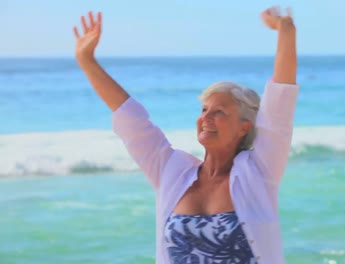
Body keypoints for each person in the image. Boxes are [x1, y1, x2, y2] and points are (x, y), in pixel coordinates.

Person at [73, 6, 298, 264]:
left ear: (244, 127)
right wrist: (86, 61)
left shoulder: (257, 171)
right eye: (204, 109)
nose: (206, 117)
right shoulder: (171, 170)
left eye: (220, 111)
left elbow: (280, 104)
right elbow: (131, 118)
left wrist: (286, 29)